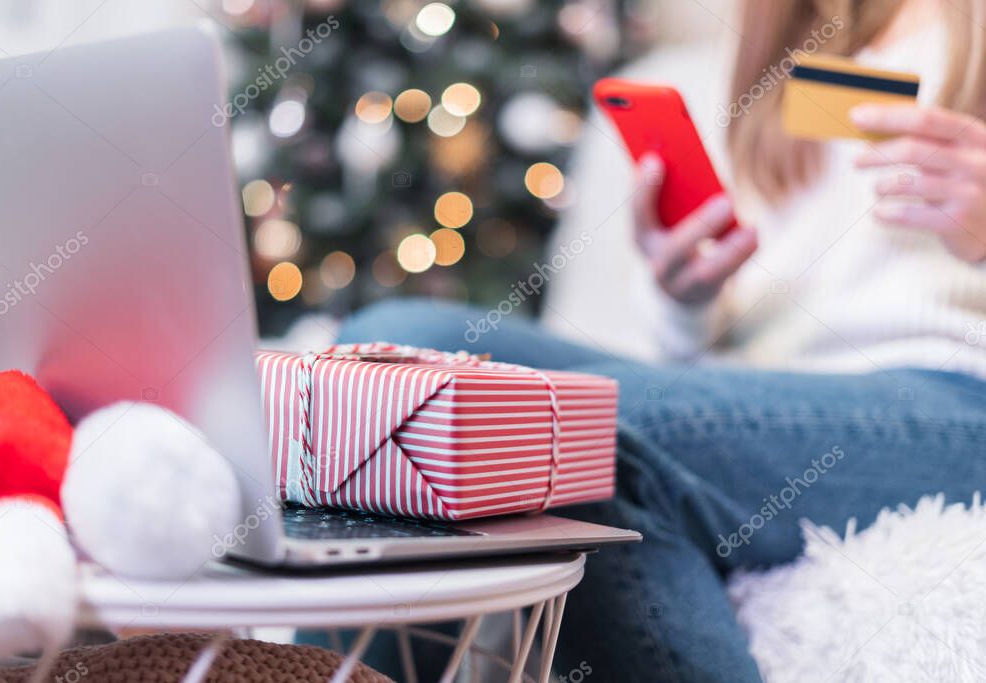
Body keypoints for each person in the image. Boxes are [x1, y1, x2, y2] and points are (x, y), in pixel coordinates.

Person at [338, 0, 986, 679]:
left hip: (951, 392)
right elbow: (734, 321)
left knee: (573, 430)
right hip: (768, 381)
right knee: (391, 358)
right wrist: (687, 295)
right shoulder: (795, 33)